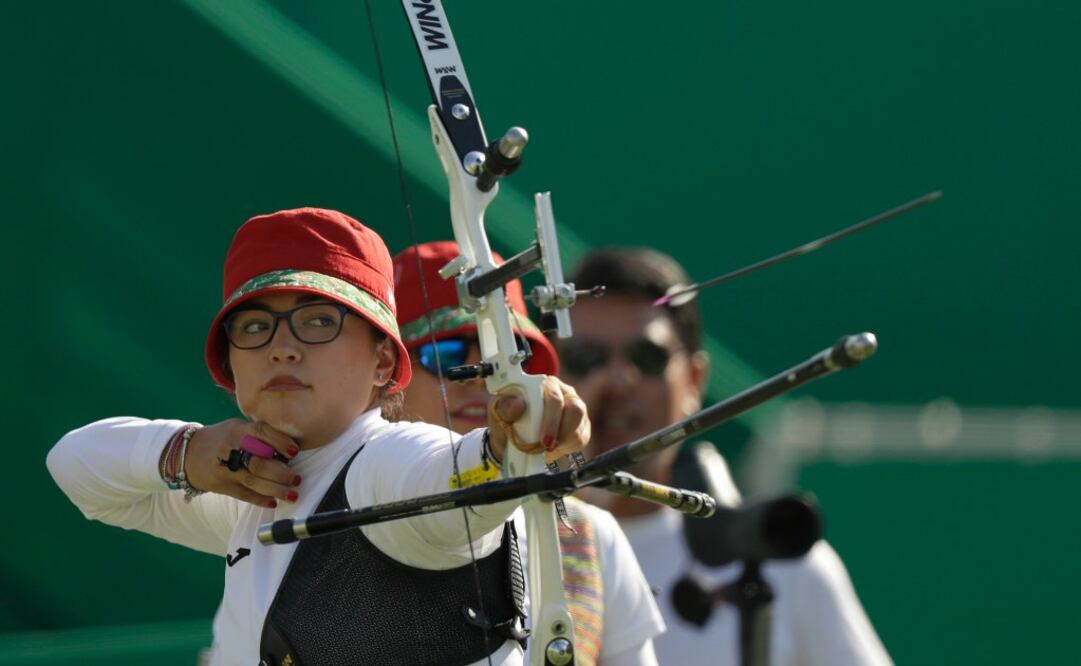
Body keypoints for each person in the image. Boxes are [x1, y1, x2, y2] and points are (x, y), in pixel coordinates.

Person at [46, 207, 589, 666]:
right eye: (255, 326)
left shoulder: (384, 464)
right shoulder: (252, 491)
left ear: (381, 361)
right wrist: (188, 453)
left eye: (319, 321)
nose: (282, 347)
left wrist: (506, 446)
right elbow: (73, 466)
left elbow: (454, 483)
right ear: (232, 362)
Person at [559, 247, 892, 666]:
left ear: (695, 380)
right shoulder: (500, 549)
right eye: (585, 359)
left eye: (647, 358)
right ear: (549, 376)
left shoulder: (781, 561)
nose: (617, 380)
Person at [393, 241, 665, 666]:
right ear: (387, 376)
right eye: (445, 355)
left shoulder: (591, 536)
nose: (477, 377)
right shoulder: (334, 508)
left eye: (501, 358)